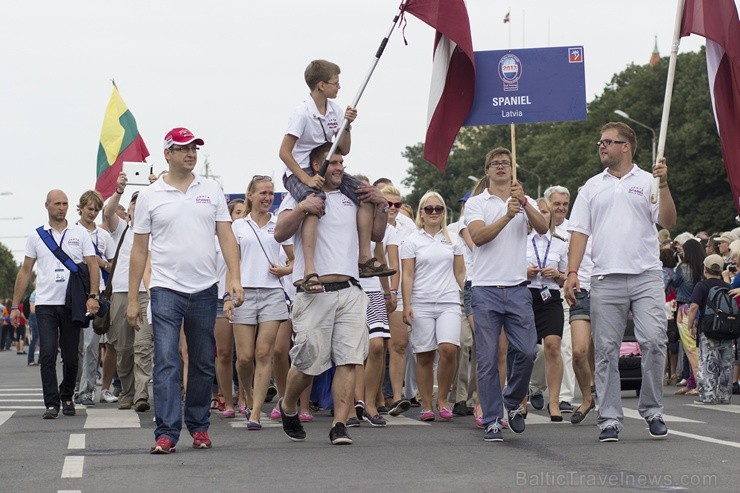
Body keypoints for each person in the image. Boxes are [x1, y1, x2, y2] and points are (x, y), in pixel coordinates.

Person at [127, 127, 244, 454]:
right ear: (168, 154)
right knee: (166, 359)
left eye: (193, 148)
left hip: (205, 288)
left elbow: (226, 236)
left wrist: (234, 277)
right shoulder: (151, 195)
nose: (190, 153)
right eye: (182, 149)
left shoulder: (211, 189)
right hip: (165, 288)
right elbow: (139, 250)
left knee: (204, 359)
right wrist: (134, 298)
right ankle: (166, 432)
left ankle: (199, 426)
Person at [564, 122, 677, 442]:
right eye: (600, 142)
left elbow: (668, 221)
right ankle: (610, 417)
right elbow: (579, 233)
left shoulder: (648, 180)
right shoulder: (591, 187)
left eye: (609, 142)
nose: (602, 146)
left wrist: (664, 185)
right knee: (606, 350)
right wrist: (572, 272)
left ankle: (652, 408)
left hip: (645, 275)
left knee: (654, 340)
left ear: (626, 146)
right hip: (605, 278)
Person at [274, 143, 388, 445]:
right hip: (314, 291)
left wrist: (383, 205)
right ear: (315, 166)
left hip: (350, 289)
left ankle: (340, 423)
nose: (338, 167)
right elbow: (279, 233)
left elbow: (377, 234)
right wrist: (301, 208)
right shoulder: (298, 194)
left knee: (349, 359)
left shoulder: (354, 197)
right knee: (308, 361)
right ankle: (288, 404)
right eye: (332, 162)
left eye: (341, 162)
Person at [278, 59, 391, 293]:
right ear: (321, 85)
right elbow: (284, 152)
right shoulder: (302, 113)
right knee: (314, 202)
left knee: (365, 194)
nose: (339, 87)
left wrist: (347, 125)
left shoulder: (335, 110)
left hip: (325, 165)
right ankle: (310, 270)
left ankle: (364, 257)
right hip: (299, 170)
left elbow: (345, 149)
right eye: (335, 83)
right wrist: (306, 179)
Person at [465, 147, 548, 442]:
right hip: (486, 288)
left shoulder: (521, 202)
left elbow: (543, 227)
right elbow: (478, 237)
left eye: (506, 163)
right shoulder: (476, 203)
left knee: (527, 351)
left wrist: (523, 202)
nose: (501, 167)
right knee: (488, 358)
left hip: (517, 289)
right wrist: (506, 216)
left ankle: (511, 401)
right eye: (495, 163)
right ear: (487, 170)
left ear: (513, 169)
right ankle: (491, 419)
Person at [10, 189, 100, 419]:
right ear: (47, 205)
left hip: (72, 303)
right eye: (57, 203)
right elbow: (26, 271)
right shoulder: (36, 236)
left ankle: (67, 394)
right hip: (45, 304)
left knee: (71, 357)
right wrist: (15, 306)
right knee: (48, 353)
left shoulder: (80, 234)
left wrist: (93, 295)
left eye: (65, 203)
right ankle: (52, 403)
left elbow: (92, 265)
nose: (62, 207)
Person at [231, 175, 291, 430]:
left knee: (263, 353)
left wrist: (285, 271)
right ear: (250, 195)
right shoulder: (238, 226)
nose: (267, 198)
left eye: (271, 193)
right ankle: (249, 390)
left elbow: (295, 260)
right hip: (243, 293)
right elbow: (231, 266)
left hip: (272, 294)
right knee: (244, 358)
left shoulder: (280, 224)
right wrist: (228, 295)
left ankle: (255, 412)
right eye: (263, 193)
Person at [401, 191, 465, 421]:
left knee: (449, 350)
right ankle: (427, 404)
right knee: (425, 355)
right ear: (421, 212)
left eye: (439, 208)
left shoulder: (453, 239)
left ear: (444, 212)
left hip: (449, 300)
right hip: (421, 302)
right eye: (429, 209)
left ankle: (443, 398)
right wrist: (407, 304)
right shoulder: (411, 241)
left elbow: (460, 272)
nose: (434, 213)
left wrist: (470, 296)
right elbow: (407, 275)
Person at [102, 174, 154, 412]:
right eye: (135, 202)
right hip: (122, 293)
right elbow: (107, 213)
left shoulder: (157, 229)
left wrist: (157, 188)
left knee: (142, 346)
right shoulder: (122, 229)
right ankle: (127, 391)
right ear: (130, 209)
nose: (138, 205)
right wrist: (120, 190)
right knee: (122, 348)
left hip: (148, 293)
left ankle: (141, 395)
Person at [523, 198, 568, 421]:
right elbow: (509, 271)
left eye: (546, 212)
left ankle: (554, 402)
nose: (542, 216)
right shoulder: (522, 240)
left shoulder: (560, 242)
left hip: (550, 297)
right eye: (538, 212)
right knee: (526, 350)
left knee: (552, 346)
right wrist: (526, 273)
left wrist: (558, 275)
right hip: (526, 295)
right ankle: (521, 399)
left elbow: (567, 278)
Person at [74, 190, 116, 407]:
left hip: (96, 293)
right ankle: (73, 386)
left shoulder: (103, 236)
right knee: (74, 346)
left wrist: (101, 263)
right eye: (89, 208)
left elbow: (113, 265)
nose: (92, 213)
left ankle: (87, 389)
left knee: (91, 344)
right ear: (80, 207)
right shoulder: (70, 231)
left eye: (96, 210)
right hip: (72, 294)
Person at [687, 254, 734, 404]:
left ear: (705, 268)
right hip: (728, 329)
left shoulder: (702, 285)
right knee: (726, 363)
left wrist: (690, 326)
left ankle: (708, 395)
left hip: (708, 329)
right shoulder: (728, 286)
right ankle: (724, 395)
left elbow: (694, 307)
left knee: (708, 361)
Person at [671, 239, 705, 397]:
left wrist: (678, 263)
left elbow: (675, 283)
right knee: (695, 346)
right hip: (700, 308)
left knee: (690, 348)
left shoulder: (683, 268)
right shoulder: (702, 267)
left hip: (685, 308)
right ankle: (692, 381)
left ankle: (699, 383)